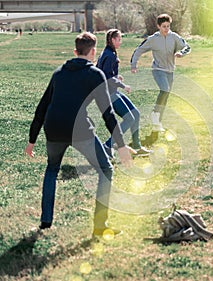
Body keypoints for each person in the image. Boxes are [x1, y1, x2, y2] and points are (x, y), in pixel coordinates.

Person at [24, 32, 134, 237]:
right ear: (93, 52)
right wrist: (121, 145)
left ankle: (45, 222)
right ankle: (100, 226)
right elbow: (108, 114)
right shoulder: (95, 74)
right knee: (105, 169)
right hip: (79, 131)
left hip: (53, 128)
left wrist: (32, 140)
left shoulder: (58, 73)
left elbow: (41, 108)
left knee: (52, 169)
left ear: (75, 51)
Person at [130, 13, 191, 132]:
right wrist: (134, 65)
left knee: (166, 95)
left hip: (170, 71)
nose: (166, 29)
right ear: (158, 26)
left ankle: (157, 123)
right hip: (158, 70)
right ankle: (154, 113)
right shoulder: (153, 39)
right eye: (164, 26)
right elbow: (139, 50)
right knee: (164, 89)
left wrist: (181, 53)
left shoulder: (174, 37)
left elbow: (187, 47)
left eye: (168, 26)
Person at [96, 29, 151, 157]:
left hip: (111, 91)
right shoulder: (109, 55)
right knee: (129, 118)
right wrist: (123, 85)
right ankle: (108, 146)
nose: (120, 42)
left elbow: (107, 73)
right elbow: (108, 78)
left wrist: (117, 76)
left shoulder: (109, 53)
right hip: (107, 93)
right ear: (113, 40)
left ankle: (136, 146)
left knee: (135, 114)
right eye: (119, 39)